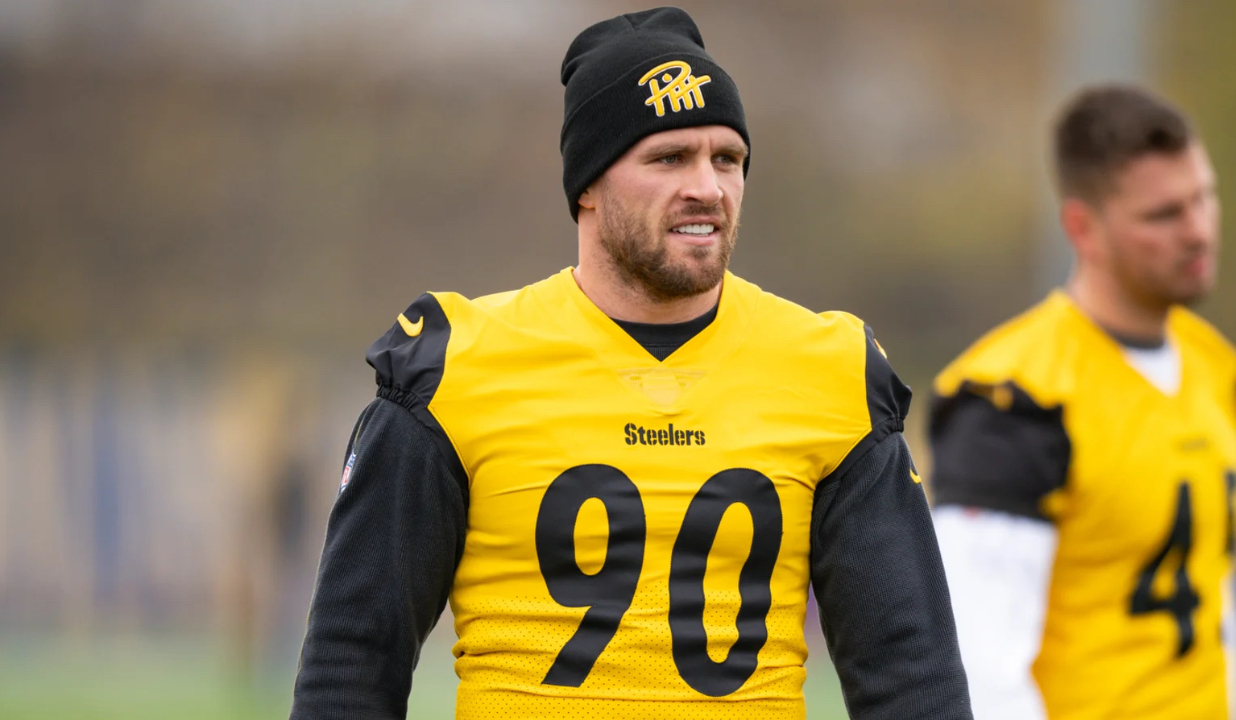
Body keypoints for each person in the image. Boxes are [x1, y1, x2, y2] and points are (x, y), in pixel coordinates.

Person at [289, 7, 971, 720]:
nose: (707, 187)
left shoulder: (829, 370)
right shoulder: (458, 365)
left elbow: (909, 672)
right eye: (669, 157)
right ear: (587, 183)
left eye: (727, 159)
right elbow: (355, 656)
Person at [929, 84, 1236, 720]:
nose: (1199, 230)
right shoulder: (1014, 398)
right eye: (1164, 214)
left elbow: (1215, 599)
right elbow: (980, 665)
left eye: (1203, 198)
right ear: (1084, 228)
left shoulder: (1213, 361)